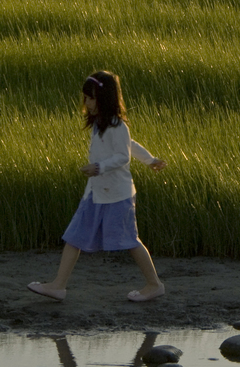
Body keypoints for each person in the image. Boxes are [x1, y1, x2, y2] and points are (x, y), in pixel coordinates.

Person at [29, 71, 167, 303]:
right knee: (74, 236)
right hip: (95, 192)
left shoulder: (118, 125)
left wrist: (100, 167)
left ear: (105, 98)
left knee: (130, 241)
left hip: (117, 194)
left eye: (91, 98)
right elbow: (129, 145)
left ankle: (154, 285)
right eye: (85, 98)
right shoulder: (100, 124)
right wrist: (149, 159)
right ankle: (58, 286)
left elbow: (124, 155)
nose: (87, 103)